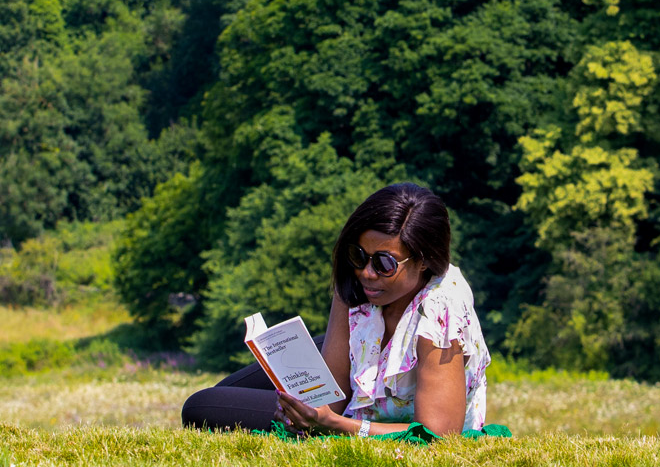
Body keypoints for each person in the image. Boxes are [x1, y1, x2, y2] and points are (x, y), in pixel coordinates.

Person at [180, 182, 492, 439]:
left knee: (203, 406)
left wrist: (332, 424)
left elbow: (438, 436)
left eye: (384, 264)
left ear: (424, 261)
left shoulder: (441, 308)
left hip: (371, 424)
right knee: (222, 394)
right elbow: (335, 398)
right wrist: (306, 406)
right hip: (352, 393)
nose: (367, 273)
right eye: (358, 255)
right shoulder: (359, 284)